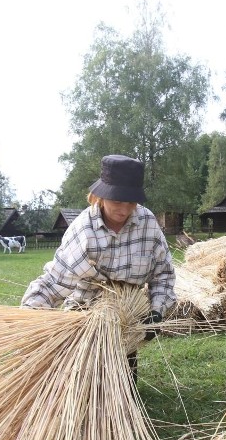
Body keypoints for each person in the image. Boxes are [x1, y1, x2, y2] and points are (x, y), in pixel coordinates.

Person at [21, 154, 176, 382]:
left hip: (127, 324)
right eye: (117, 201)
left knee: (123, 393)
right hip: (84, 320)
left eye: (131, 202)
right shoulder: (84, 230)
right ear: (100, 196)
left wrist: (156, 311)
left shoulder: (147, 223)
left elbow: (163, 274)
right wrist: (27, 317)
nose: (124, 210)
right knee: (80, 391)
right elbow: (54, 283)